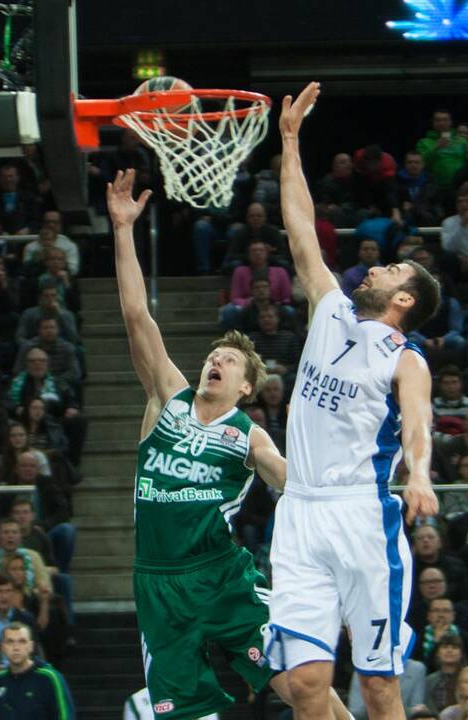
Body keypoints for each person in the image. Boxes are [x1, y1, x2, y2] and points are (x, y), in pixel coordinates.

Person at [111, 165, 328, 720]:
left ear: (247, 386)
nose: (216, 361)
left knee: (300, 686)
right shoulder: (167, 398)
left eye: (229, 361)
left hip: (222, 576)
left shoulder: (249, 434)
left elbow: (289, 479)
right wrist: (122, 230)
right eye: (214, 355)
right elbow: (137, 317)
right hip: (158, 581)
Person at [268, 82, 441, 720]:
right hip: (300, 514)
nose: (374, 268)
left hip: (362, 518)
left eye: (392, 272)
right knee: (307, 685)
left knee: (378, 687)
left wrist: (420, 473)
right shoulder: (330, 308)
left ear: (404, 303)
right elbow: (298, 230)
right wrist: (289, 143)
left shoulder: (406, 358)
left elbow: (419, 424)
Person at [0, 623, 74, 720]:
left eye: (22, 641)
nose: (16, 648)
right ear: (2, 647)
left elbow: (65, 717)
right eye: (10, 642)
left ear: (31, 646)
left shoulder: (50, 678)